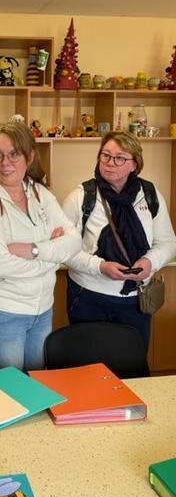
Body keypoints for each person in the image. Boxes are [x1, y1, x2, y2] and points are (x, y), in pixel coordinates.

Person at [0, 121, 81, 372]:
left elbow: (74, 241)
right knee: (9, 389)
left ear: (29, 156)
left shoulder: (39, 193)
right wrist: (53, 256)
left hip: (42, 309)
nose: (5, 163)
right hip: (2, 312)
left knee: (36, 383)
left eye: (14, 154)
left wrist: (34, 250)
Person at [63, 131, 176, 351]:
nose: (110, 163)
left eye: (120, 158)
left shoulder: (150, 194)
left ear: (135, 164)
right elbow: (63, 250)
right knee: (89, 363)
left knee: (131, 362)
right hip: (88, 298)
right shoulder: (81, 196)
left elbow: (168, 242)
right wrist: (100, 266)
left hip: (136, 301)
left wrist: (150, 262)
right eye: (105, 155)